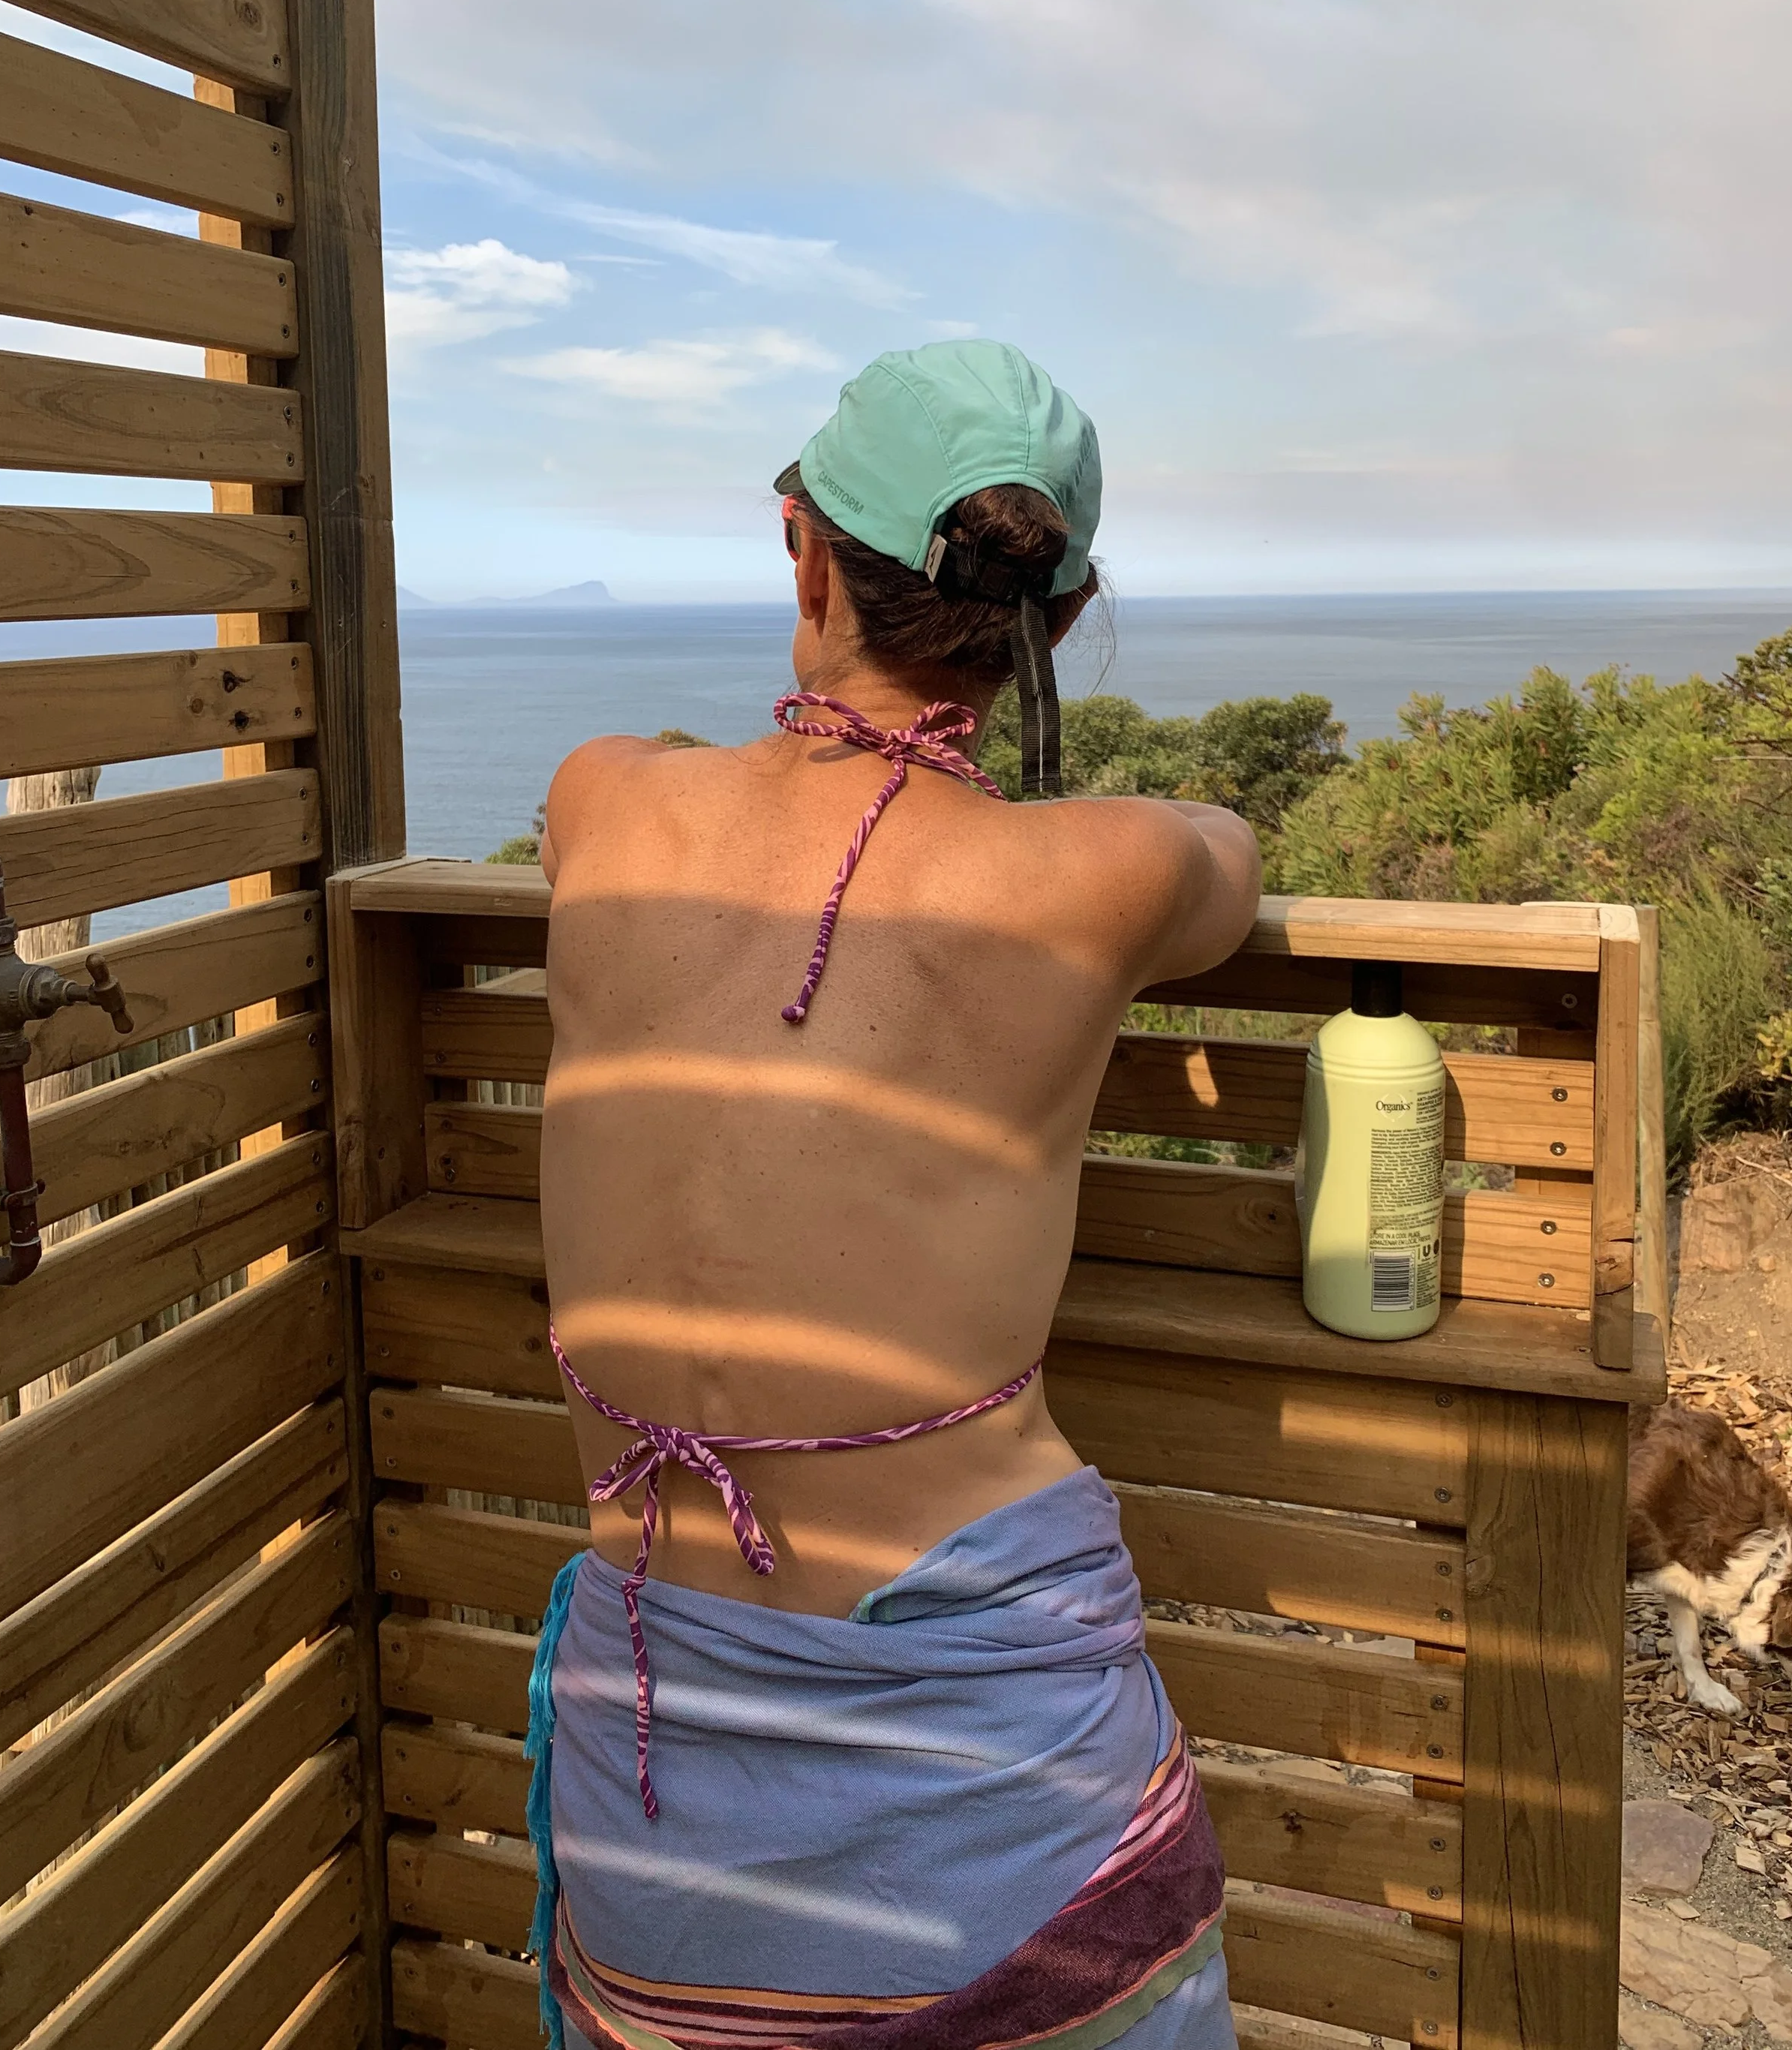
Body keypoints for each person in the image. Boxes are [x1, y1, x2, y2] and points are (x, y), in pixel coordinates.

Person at [528, 339, 1262, 2049]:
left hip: (656, 1805)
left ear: (804, 557)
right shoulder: (1114, 868)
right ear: (1060, 619)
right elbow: (1226, 856)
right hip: (1001, 1808)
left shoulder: (600, 797)